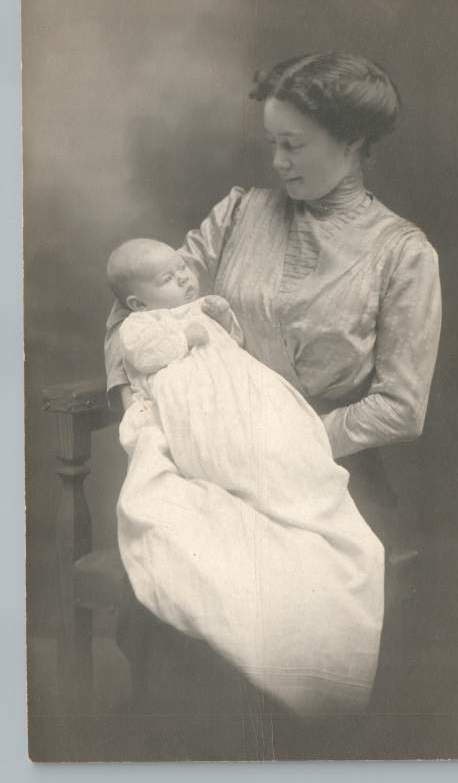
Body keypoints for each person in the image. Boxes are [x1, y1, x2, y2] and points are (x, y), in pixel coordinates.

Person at [104, 52, 441, 759]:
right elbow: (140, 314)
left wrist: (284, 443)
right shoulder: (238, 213)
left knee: (264, 602)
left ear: (350, 143)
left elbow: (400, 408)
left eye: (294, 145)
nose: (277, 162)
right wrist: (154, 407)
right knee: (174, 575)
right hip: (210, 461)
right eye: (271, 143)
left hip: (327, 471)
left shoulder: (400, 253)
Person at [107, 236, 385, 720]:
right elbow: (143, 357)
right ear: (137, 300)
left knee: (276, 431)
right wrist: (188, 333)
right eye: (169, 279)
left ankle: (282, 479)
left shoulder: (193, 306)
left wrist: (214, 317)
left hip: (238, 390)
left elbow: (233, 346)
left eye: (183, 268)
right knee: (220, 443)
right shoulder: (138, 324)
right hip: (191, 399)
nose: (186, 278)